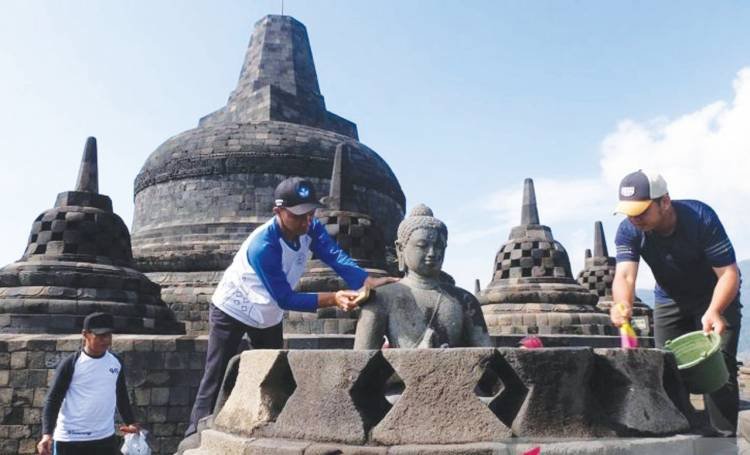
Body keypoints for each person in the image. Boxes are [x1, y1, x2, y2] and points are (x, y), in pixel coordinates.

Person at [185, 176, 395, 436]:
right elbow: (285, 298)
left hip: (267, 315)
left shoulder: (311, 228)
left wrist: (365, 280)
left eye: (310, 213)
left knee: (276, 373)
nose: (306, 220)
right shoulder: (264, 246)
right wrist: (334, 298)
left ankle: (277, 430)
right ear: (278, 212)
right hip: (233, 309)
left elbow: (334, 256)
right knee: (215, 376)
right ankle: (194, 435)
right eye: (297, 216)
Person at [610, 169, 742, 436]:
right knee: (666, 369)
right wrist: (621, 303)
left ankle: (724, 445)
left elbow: (729, 273)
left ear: (665, 201)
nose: (635, 218)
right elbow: (624, 275)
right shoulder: (629, 230)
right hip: (669, 299)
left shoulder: (700, 218)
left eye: (642, 211)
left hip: (714, 296)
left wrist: (715, 311)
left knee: (718, 371)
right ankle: (680, 439)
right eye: (629, 212)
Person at [354, 204, 492, 349]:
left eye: (439, 246)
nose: (432, 253)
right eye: (422, 245)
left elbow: (485, 357)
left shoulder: (465, 300)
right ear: (401, 248)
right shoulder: (381, 298)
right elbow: (361, 363)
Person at [37, 312, 140, 455]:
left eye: (108, 335)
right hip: (70, 439)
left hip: (104, 438)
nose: (106, 340)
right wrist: (47, 434)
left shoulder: (115, 362)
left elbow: (120, 395)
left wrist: (131, 422)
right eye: (100, 336)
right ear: (85, 334)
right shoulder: (71, 364)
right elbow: (53, 399)